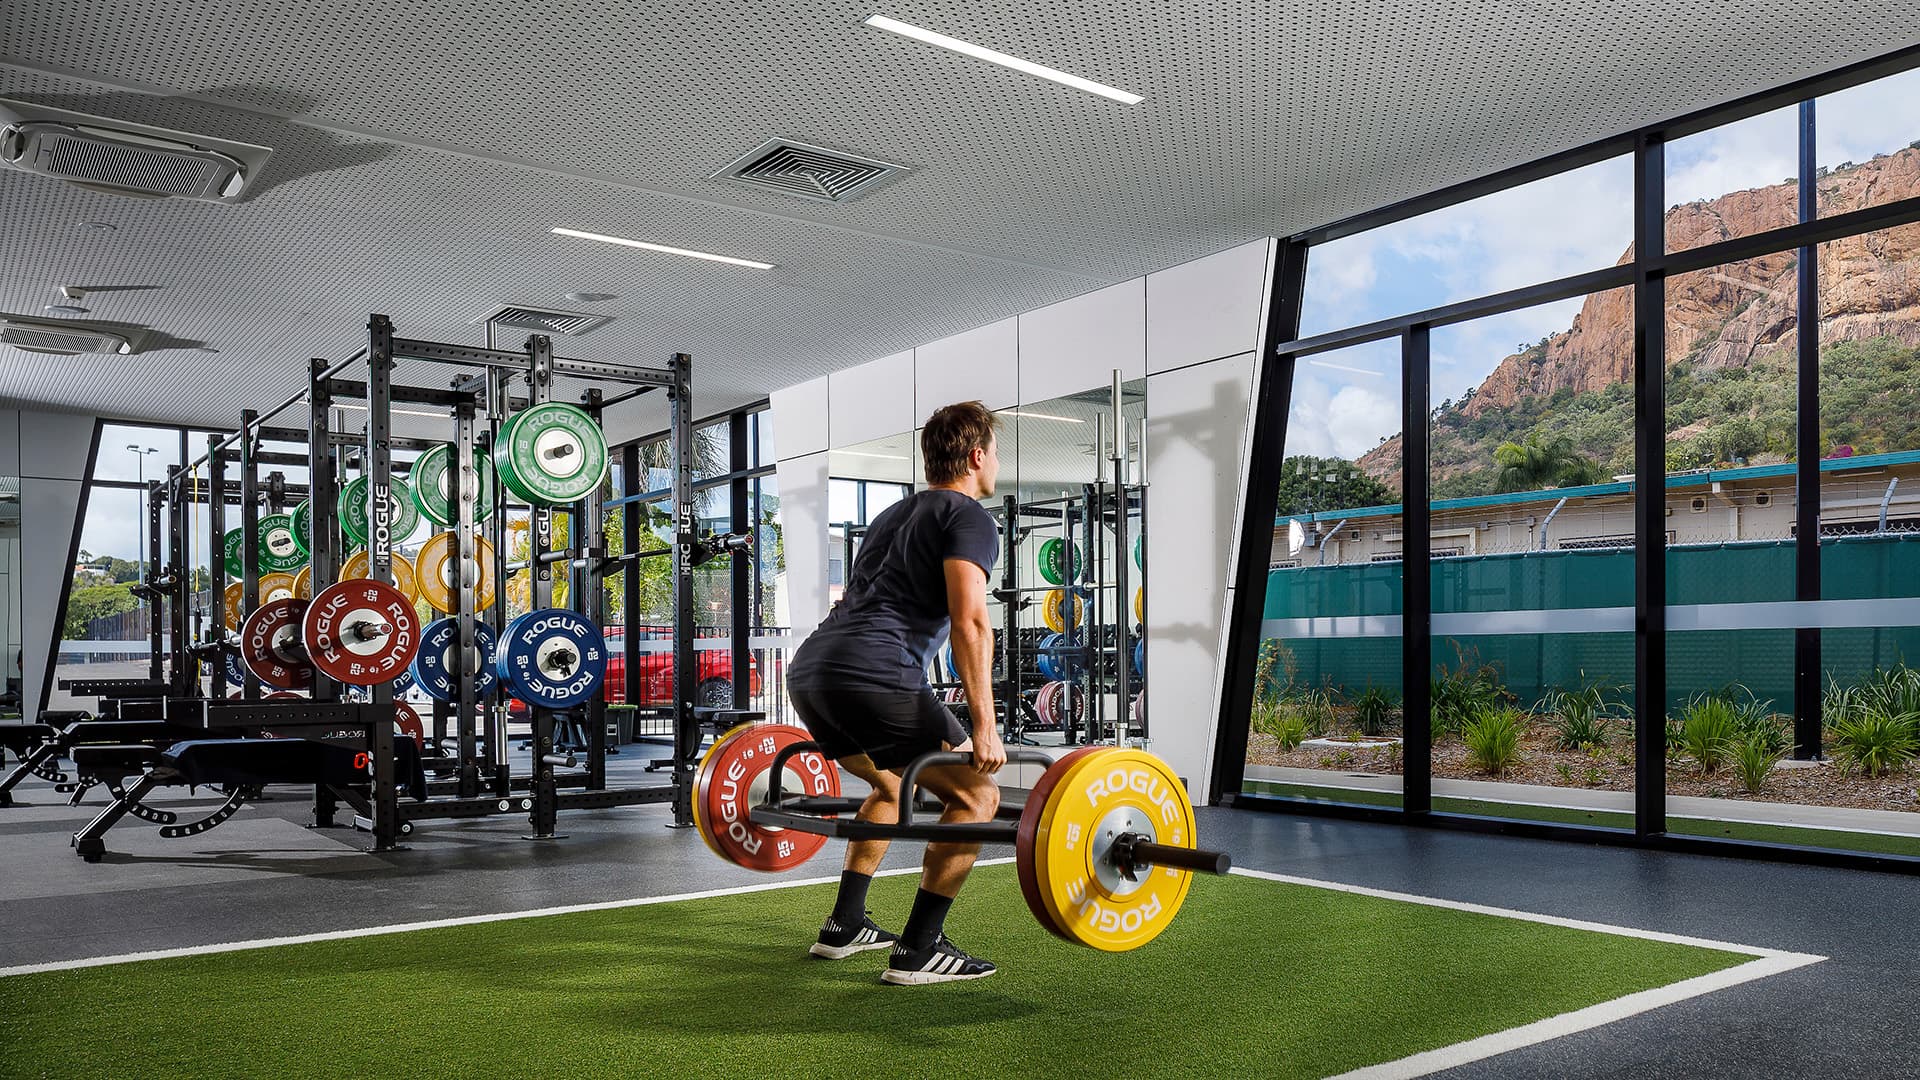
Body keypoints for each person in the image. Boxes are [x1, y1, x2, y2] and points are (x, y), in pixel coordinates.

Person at [784, 401, 1008, 985]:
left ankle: (845, 923)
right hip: (875, 674)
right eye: (995, 453)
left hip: (812, 672)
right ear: (978, 455)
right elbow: (971, 622)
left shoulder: (892, 514)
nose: (996, 464)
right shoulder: (972, 517)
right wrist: (983, 723)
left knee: (890, 784)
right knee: (976, 798)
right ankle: (921, 947)